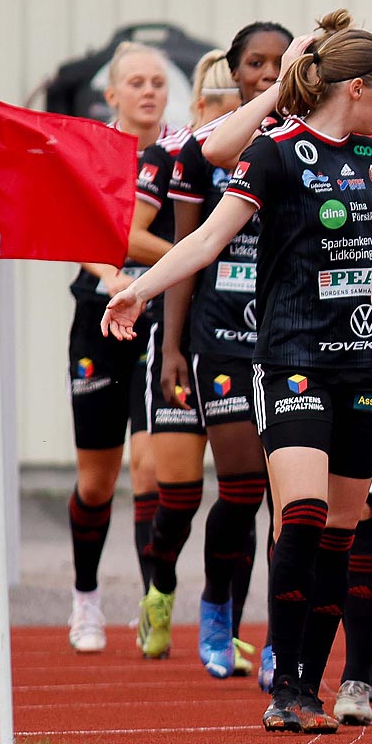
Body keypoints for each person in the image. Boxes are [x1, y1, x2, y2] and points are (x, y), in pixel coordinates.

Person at [103, 10, 372, 735]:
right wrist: (138, 289)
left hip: (363, 365)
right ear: (356, 87)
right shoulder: (277, 152)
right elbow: (206, 237)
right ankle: (289, 684)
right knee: (298, 514)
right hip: (292, 359)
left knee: (342, 527)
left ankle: (308, 677)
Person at [159, 23, 298, 686]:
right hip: (219, 336)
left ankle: (280, 638)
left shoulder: (305, 142)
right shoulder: (202, 152)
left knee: (289, 501)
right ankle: (216, 609)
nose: (268, 71)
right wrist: (172, 346)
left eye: (280, 61)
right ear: (234, 72)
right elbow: (186, 253)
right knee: (240, 481)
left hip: (291, 337)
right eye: (255, 63)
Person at [63, 42, 182, 654]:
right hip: (99, 318)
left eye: (157, 81)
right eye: (135, 81)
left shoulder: (179, 151)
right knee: (96, 481)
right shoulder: (92, 151)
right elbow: (74, 227)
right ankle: (85, 598)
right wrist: (109, 276)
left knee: (154, 470)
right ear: (111, 95)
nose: (148, 90)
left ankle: (150, 605)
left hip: (158, 318)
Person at [134, 49, 239, 664]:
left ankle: (219, 616)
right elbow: (134, 235)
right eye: (220, 101)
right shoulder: (177, 153)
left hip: (244, 340)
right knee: (176, 493)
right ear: (200, 106)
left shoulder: (276, 148)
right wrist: (195, 256)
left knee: (244, 487)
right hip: (180, 336)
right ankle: (161, 587)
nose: (232, 111)